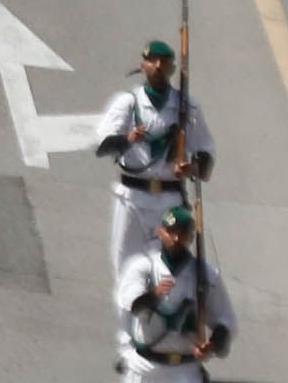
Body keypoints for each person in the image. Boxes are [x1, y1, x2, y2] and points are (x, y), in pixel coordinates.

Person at [86, 39, 214, 298]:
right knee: (125, 272)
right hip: (131, 199)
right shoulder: (128, 103)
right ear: (142, 65)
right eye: (152, 61)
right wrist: (127, 140)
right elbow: (102, 146)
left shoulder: (186, 108)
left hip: (168, 203)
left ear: (172, 68)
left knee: (166, 275)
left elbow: (206, 159)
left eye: (164, 63)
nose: (157, 66)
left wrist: (190, 168)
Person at [114, 202, 236, 376]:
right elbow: (134, 306)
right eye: (171, 232)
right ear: (160, 232)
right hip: (145, 367)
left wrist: (212, 345)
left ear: (191, 238)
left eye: (182, 234)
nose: (176, 239)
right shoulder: (143, 267)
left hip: (185, 369)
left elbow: (225, 323)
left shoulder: (205, 275)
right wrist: (154, 294)